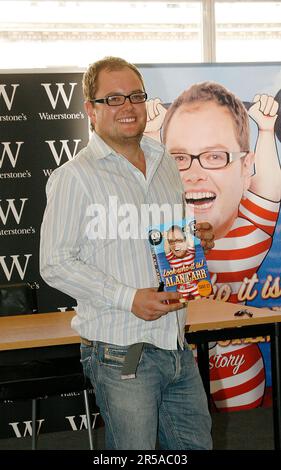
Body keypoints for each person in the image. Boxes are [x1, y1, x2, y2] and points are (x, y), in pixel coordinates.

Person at [40, 57, 214, 450]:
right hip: (121, 352)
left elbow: (166, 237)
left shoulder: (164, 160)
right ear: (91, 110)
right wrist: (129, 297)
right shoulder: (74, 177)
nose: (128, 106)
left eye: (135, 96)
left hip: (174, 343)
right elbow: (54, 262)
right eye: (113, 98)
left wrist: (193, 238)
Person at [150, 82, 280, 411]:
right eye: (179, 157)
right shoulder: (163, 230)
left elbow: (268, 190)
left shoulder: (249, 233)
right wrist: (152, 138)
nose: (194, 173)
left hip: (244, 387)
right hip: (174, 380)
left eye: (214, 156)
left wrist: (265, 131)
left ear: (245, 166)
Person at [165, 225, 200, 300]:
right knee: (183, 305)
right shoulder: (171, 258)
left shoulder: (190, 252)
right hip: (181, 288)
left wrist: (187, 232)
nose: (176, 245)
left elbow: (190, 243)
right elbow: (167, 249)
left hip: (194, 285)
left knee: (199, 301)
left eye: (179, 240)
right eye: (171, 241)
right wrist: (166, 237)